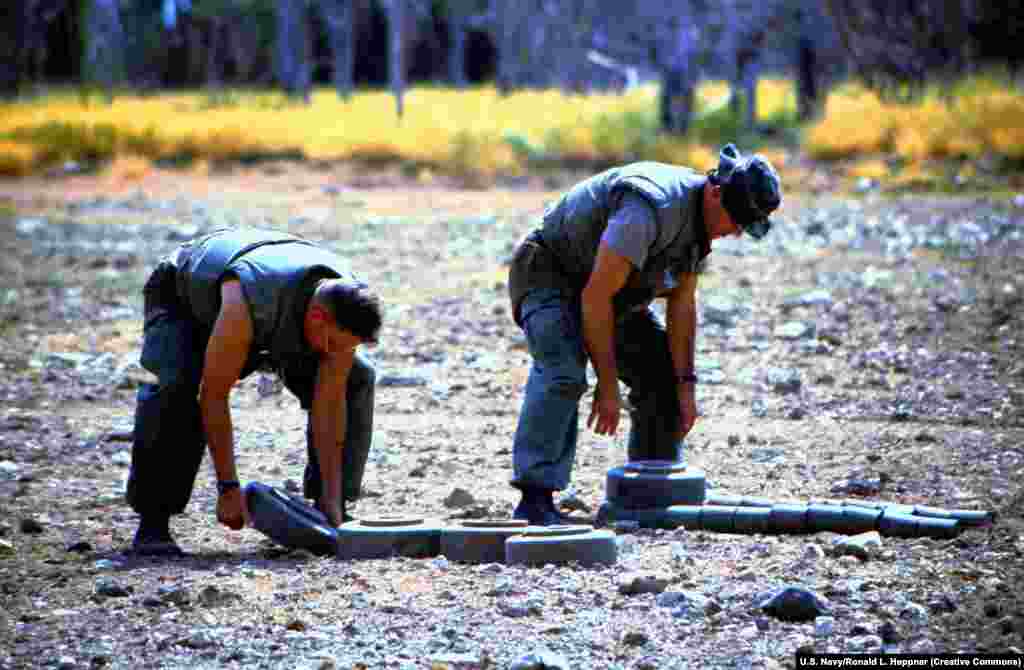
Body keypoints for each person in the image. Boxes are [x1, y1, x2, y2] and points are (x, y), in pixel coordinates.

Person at [506, 144, 782, 525]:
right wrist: (607, 385)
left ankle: (651, 492)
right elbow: (595, 298)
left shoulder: (701, 225)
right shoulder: (649, 208)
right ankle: (534, 500)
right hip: (550, 276)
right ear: (715, 193)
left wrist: (685, 388)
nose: (735, 232)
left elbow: (682, 305)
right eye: (735, 221)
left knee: (663, 378)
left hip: (611, 295)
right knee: (563, 372)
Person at [127, 227, 382, 556]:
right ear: (318, 317)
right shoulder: (244, 300)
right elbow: (213, 395)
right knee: (176, 384)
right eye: (333, 343)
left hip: (277, 306)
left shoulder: (344, 308)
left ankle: (329, 510)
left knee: (355, 379)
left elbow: (330, 407)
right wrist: (228, 489)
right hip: (187, 302)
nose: (336, 353)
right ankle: (154, 521)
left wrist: (332, 499)